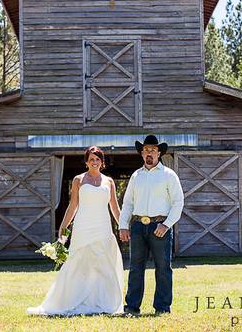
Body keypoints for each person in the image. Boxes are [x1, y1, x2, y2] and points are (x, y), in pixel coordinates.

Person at [27, 146, 124, 316]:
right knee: (78, 264)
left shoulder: (109, 181)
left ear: (102, 162)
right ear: (86, 162)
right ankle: (70, 299)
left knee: (104, 264)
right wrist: (63, 229)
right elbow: (73, 206)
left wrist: (124, 226)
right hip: (83, 226)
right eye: (91, 159)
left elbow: (115, 208)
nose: (94, 162)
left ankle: (103, 301)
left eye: (98, 159)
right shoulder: (78, 180)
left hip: (103, 226)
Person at [119, 134, 184, 315]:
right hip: (138, 226)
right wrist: (123, 225)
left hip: (159, 226)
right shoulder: (136, 176)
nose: (149, 153)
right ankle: (131, 307)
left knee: (163, 268)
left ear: (159, 153)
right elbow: (128, 204)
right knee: (135, 268)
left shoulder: (168, 175)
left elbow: (178, 203)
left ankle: (162, 308)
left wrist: (166, 225)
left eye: (153, 150)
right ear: (141, 153)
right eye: (146, 150)